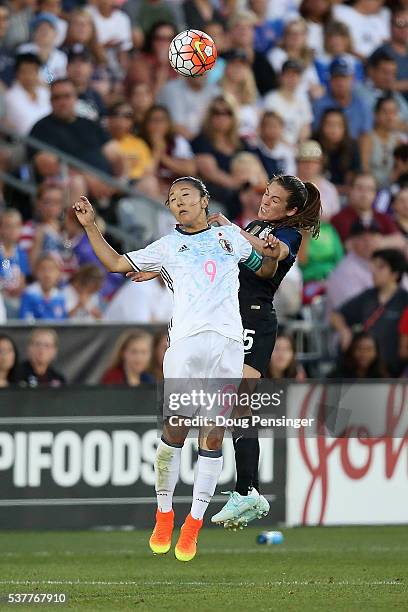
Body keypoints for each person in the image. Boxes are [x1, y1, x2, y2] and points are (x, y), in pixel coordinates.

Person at [73, 176, 280, 561]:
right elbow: (117, 263)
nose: (179, 202)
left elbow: (265, 272)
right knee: (175, 428)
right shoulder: (167, 246)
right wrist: (89, 227)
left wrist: (268, 254)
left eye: (186, 195)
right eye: (172, 199)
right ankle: (164, 513)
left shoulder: (230, 237)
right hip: (185, 345)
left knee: (214, 434)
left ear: (204, 200)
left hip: (229, 346)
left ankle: (193, 526)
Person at [206, 175, 321, 528]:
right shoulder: (256, 225)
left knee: (239, 402)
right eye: (265, 195)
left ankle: (247, 491)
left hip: (254, 319)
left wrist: (232, 229)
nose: (265, 202)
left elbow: (274, 253)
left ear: (291, 210)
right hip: (230, 319)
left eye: (274, 200)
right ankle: (247, 491)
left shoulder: (288, 234)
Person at [29, 78, 124, 187]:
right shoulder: (41, 128)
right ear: (50, 101)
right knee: (77, 184)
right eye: (57, 98)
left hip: (106, 183)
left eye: (67, 96)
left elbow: (115, 154)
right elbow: (46, 165)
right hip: (69, 187)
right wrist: (89, 180)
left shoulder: (90, 124)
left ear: (76, 98)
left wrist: (117, 182)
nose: (62, 102)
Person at [330, 248, 408, 377]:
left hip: (394, 371)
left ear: (395, 273)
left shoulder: (404, 300)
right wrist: (344, 331)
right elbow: (335, 315)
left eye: (380, 267)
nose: (373, 271)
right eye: (373, 266)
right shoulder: (367, 296)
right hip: (364, 371)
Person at [191, 95, 246, 206]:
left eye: (227, 112)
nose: (222, 117)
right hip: (215, 198)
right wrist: (236, 183)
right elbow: (210, 172)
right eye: (216, 112)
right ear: (209, 116)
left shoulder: (241, 144)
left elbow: (253, 170)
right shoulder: (202, 140)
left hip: (241, 198)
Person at [331, 173, 403, 247]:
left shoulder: (382, 217)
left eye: (369, 189)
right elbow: (348, 245)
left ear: (375, 194)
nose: (364, 194)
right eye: (359, 188)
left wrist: (379, 242)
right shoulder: (339, 218)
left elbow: (399, 240)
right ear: (350, 190)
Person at [326, 219, 382, 314]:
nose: (368, 242)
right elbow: (353, 312)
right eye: (362, 238)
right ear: (351, 242)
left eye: (372, 236)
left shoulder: (383, 264)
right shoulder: (344, 272)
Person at [312, 55, 373, 142]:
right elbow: (315, 135)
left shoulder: (362, 105)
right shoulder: (319, 105)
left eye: (344, 78)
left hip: (353, 151)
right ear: (330, 80)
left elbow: (366, 136)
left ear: (352, 79)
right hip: (326, 149)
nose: (340, 83)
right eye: (336, 78)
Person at [140, 105, 196, 196]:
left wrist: (163, 157)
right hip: (153, 190)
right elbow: (146, 173)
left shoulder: (177, 141)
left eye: (161, 120)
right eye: (153, 120)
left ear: (168, 124)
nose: (158, 125)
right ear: (146, 124)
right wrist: (156, 151)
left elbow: (190, 169)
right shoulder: (140, 143)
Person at [267, 17, 322, 99]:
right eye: (292, 33)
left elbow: (315, 84)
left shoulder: (308, 57)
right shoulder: (276, 55)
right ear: (285, 36)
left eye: (300, 33)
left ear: (305, 37)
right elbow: (283, 83)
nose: (296, 37)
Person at [226, 9, 278, 97]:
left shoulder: (262, 61)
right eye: (238, 27)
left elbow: (272, 91)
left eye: (248, 27)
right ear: (230, 32)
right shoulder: (221, 60)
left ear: (254, 32)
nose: (243, 31)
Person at [263, 59, 313, 148]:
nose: (292, 78)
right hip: (275, 146)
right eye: (288, 75)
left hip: (297, 147)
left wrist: (299, 144)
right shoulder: (271, 99)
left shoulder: (302, 99)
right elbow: (269, 127)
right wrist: (289, 146)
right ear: (281, 77)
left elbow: (306, 126)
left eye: (295, 75)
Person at [361, 95, 404, 189]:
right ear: (376, 114)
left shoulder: (398, 141)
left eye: (394, 112)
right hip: (370, 188)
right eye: (385, 112)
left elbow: (400, 169)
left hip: (392, 188)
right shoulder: (367, 138)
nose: (390, 117)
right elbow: (364, 169)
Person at [314, 107, 361, 192]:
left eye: (338, 125)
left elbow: (351, 183)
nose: (333, 129)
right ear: (322, 126)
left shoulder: (352, 146)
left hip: (344, 194)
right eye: (329, 124)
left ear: (344, 128)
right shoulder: (314, 144)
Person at [4, 52, 50, 136]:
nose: (29, 76)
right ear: (17, 74)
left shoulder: (45, 92)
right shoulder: (10, 97)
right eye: (25, 72)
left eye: (32, 71)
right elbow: (27, 126)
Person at [220, 50, 260, 142]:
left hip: (251, 143)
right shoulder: (217, 92)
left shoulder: (253, 94)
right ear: (226, 67)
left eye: (242, 66)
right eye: (234, 64)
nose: (238, 69)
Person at [296, 139, 340, 218]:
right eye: (305, 161)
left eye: (313, 162)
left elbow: (335, 218)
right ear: (298, 163)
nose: (309, 166)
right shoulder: (287, 185)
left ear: (320, 164)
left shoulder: (329, 188)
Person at [18, 12, 67, 83]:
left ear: (56, 34)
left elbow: (58, 82)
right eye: (40, 28)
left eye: (49, 28)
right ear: (34, 33)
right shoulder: (24, 50)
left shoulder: (61, 57)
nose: (45, 31)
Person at [314, 20, 364, 88]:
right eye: (331, 37)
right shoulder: (319, 62)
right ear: (326, 40)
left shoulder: (356, 62)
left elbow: (358, 85)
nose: (336, 41)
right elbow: (321, 84)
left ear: (348, 39)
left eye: (341, 36)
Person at [0, 208, 31, 318]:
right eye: (8, 226)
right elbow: (5, 268)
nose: (13, 230)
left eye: (16, 226)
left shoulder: (21, 254)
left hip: (16, 298)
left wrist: (17, 290)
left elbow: (22, 281)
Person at [19, 252, 67, 321]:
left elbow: (63, 322)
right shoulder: (29, 294)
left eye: (51, 269)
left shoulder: (61, 296)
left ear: (58, 273)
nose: (47, 274)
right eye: (43, 269)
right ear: (36, 272)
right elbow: (25, 320)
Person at [375, 7, 408, 102]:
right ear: (390, 26)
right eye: (400, 24)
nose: (404, 29)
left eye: (407, 25)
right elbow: (380, 85)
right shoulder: (382, 52)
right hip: (391, 104)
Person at [66, 44, 106, 121]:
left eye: (83, 61)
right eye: (73, 62)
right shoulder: (58, 94)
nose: (78, 66)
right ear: (67, 67)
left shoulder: (96, 96)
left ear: (91, 67)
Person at [250, 111, 296, 177]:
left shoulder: (287, 152)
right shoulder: (254, 149)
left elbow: (290, 175)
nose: (273, 129)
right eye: (269, 125)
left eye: (276, 126)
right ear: (262, 128)